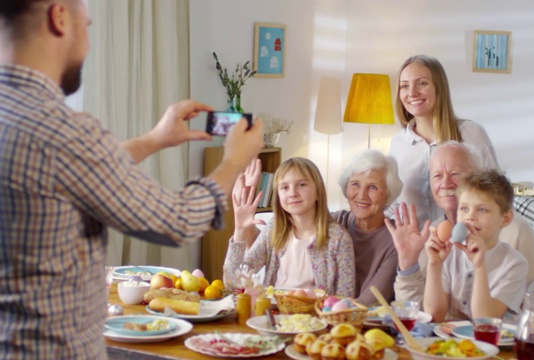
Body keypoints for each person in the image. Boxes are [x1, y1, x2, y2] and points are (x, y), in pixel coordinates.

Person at [0, 1, 264, 358]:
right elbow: (178, 221)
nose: (89, 45)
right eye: (89, 27)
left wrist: (154, 139)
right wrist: (234, 160)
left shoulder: (31, 128)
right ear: (59, 16)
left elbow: (63, 174)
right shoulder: (60, 132)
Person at [391, 142, 534, 305]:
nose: (445, 183)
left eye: (455, 174)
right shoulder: (432, 234)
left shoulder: (516, 230)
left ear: (477, 178)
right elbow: (414, 311)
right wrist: (408, 264)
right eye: (437, 175)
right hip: (440, 330)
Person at [387, 55, 499, 227]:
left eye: (422, 83)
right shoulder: (398, 143)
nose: (412, 93)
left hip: (462, 243)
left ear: (439, 87)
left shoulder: (471, 134)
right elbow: (393, 205)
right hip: (413, 247)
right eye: (404, 86)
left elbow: (496, 194)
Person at [224, 157, 356, 297]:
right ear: (279, 196)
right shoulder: (273, 229)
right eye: (285, 187)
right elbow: (233, 282)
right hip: (273, 314)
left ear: (318, 192)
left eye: (301, 185)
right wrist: (239, 230)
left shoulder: (338, 238)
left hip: (317, 316)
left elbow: (345, 298)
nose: (293, 193)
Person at [422, 169, 528, 321]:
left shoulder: (514, 263)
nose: (470, 216)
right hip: (452, 341)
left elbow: (484, 321)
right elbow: (434, 315)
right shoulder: (449, 252)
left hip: (493, 342)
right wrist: (434, 264)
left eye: (482, 209)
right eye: (464, 208)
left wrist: (479, 266)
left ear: (505, 219)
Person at [334, 150, 402, 305]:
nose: (362, 195)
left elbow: (368, 303)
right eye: (355, 184)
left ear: (388, 194)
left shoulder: (395, 240)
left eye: (373, 187)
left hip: (366, 323)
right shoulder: (335, 222)